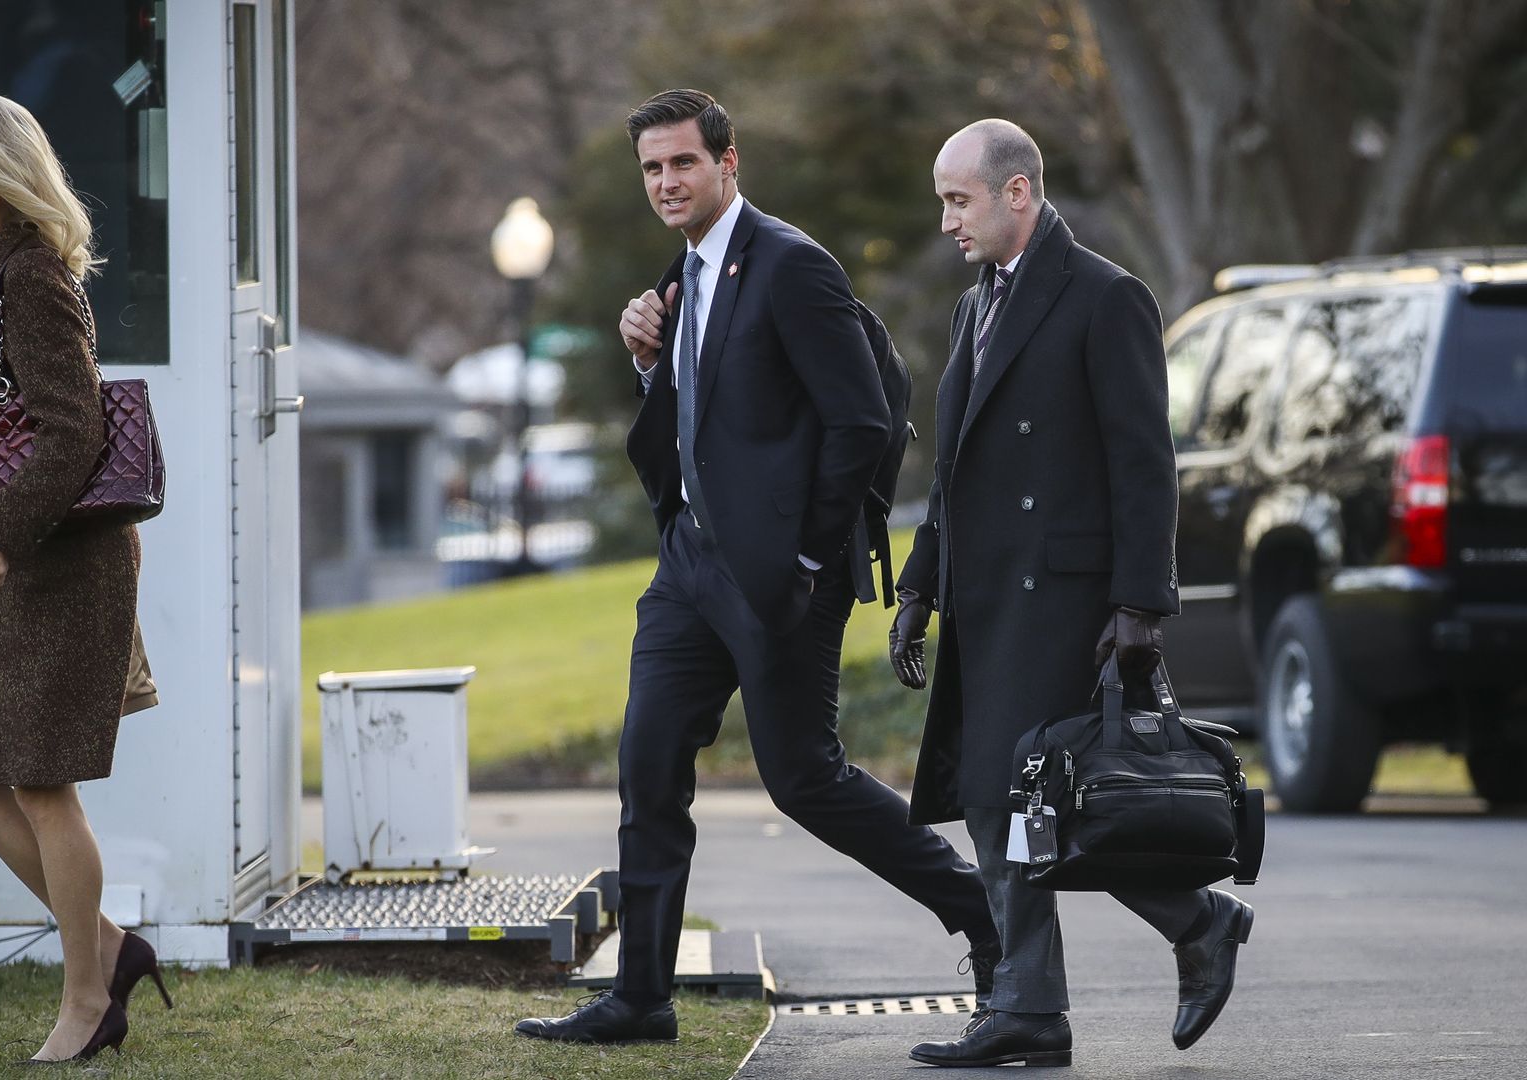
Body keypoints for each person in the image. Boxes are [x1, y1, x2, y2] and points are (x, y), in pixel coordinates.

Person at [515, 89, 995, 1045]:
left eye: (682, 163)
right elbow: (714, 420)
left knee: (804, 780)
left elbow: (862, 420)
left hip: (781, 576)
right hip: (688, 568)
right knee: (648, 764)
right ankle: (642, 998)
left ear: (728, 163)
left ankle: (984, 913)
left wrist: (812, 555)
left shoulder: (791, 264)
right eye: (651, 168)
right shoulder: (684, 272)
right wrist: (652, 366)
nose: (665, 183)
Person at [887, 119, 1253, 1068]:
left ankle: (1156, 940)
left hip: (1068, 604)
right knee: (1001, 798)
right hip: (988, 598)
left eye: (958, 200)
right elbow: (955, 467)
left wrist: (1143, 605)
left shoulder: (1105, 296)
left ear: (1018, 194)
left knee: (1051, 800)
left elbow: (1145, 462)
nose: (945, 222)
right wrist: (921, 586)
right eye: (941, 202)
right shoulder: (978, 306)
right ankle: (1044, 1001)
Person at [0, 91, 166, 1065]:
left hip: (63, 570)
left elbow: (73, 431)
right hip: (28, 568)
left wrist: (4, 534)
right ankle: (107, 947)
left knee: (41, 785)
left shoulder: (32, 280)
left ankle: (86, 997)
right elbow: (17, 416)